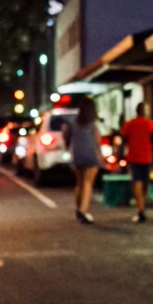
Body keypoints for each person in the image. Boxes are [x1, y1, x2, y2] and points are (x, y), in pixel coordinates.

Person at [64, 95, 102, 224]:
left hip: (78, 154)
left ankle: (78, 209)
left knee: (79, 183)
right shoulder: (93, 123)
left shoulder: (73, 121)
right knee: (88, 183)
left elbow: (67, 136)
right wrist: (101, 156)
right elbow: (98, 141)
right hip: (91, 154)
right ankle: (84, 211)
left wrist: (68, 146)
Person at [121, 103, 153, 223]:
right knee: (145, 181)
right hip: (147, 156)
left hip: (134, 156)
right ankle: (143, 206)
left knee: (137, 180)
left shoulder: (129, 123)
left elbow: (124, 138)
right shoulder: (150, 123)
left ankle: (140, 207)